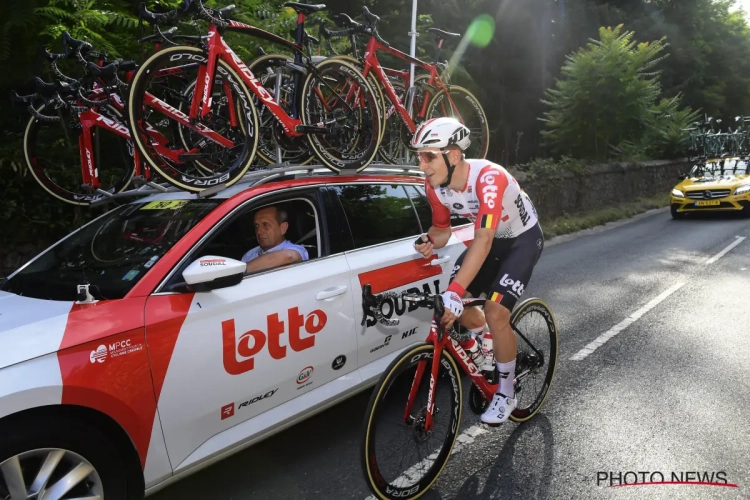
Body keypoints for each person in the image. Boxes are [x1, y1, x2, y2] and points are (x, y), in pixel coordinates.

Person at [411, 117, 544, 426]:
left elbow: (482, 238)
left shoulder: (488, 178)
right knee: (459, 311)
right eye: (419, 156)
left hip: (522, 240)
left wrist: (456, 290)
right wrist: (430, 239)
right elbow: (442, 230)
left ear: (453, 155)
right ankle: (487, 345)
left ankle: (506, 391)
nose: (422, 165)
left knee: (495, 311)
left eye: (428, 155)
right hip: (492, 243)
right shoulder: (435, 187)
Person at [241, 205, 309, 273]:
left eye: (266, 225)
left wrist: (241, 271)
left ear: (283, 228)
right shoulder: (249, 255)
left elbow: (288, 257)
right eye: (257, 226)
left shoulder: (298, 249)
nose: (259, 231)